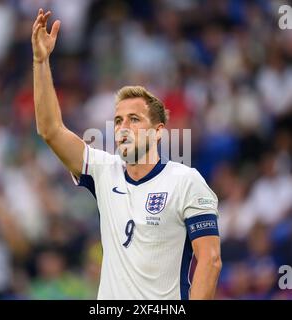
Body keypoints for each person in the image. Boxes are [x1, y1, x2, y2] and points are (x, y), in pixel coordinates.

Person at [31, 8, 222, 300]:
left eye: (135, 119)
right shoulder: (103, 171)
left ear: (158, 131)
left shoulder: (186, 181)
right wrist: (41, 61)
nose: (123, 127)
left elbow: (210, 260)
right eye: (118, 120)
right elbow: (50, 130)